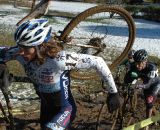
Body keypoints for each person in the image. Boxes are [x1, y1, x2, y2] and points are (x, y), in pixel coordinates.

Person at [0, 18, 121, 130]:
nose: (21, 52)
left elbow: (98, 61)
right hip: (46, 107)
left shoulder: (59, 60)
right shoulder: (19, 53)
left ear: (40, 47)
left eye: (26, 48)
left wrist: (113, 93)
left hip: (65, 110)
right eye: (19, 46)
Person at [124, 49, 160, 121]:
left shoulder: (152, 68)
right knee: (148, 101)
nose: (137, 66)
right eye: (136, 63)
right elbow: (127, 78)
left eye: (139, 63)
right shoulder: (134, 66)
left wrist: (137, 86)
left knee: (149, 103)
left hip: (154, 85)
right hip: (145, 84)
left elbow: (148, 84)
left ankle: (147, 124)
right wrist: (126, 84)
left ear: (145, 61)